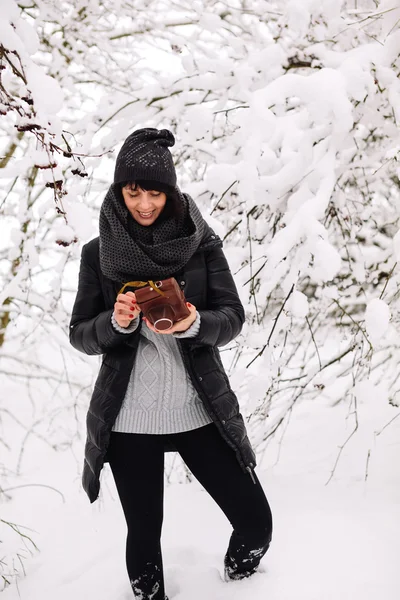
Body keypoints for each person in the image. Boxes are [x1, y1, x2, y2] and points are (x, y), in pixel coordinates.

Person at [69, 128, 273, 600]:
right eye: (132, 191)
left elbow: (233, 317)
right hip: (130, 420)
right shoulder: (98, 254)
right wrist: (114, 324)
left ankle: (242, 587)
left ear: (172, 191)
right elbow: (80, 333)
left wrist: (195, 323)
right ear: (119, 191)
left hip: (199, 411)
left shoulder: (200, 245)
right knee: (144, 541)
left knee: (256, 523)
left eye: (155, 191)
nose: (143, 203)